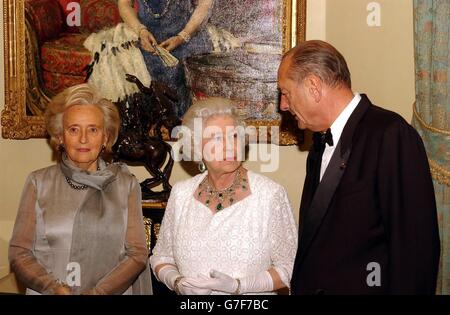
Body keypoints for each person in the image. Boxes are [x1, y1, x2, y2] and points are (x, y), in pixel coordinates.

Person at [277, 40, 440, 294]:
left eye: (285, 92)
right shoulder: (319, 143)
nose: (283, 105)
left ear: (313, 86)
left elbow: (415, 250)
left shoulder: (390, 135)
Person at [8, 83, 152, 295]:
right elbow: (20, 253)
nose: (83, 139)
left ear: (105, 137)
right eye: (73, 129)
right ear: (60, 137)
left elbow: (137, 254)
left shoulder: (126, 184)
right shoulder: (38, 182)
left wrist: (98, 292)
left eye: (93, 130)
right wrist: (53, 287)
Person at [149, 97, 297, 295]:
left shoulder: (269, 195)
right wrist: (178, 282)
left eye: (234, 136)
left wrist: (239, 286)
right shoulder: (181, 193)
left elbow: (289, 267)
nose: (230, 146)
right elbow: (161, 257)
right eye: (217, 138)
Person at [118, 0, 214, 117]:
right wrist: (141, 30)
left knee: (186, 78)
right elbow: (125, 4)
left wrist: (183, 36)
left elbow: (205, 4)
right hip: (147, 39)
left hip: (189, 35)